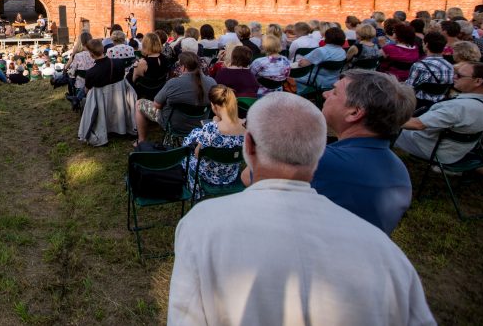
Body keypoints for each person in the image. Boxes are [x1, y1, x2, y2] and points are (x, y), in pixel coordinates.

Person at [168, 92, 434, 325]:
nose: (329, 92)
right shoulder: (385, 253)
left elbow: (186, 315)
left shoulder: (202, 223)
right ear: (320, 151)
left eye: (337, 92)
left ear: (248, 146)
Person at [303, 70, 416, 234]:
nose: (325, 94)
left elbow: (255, 175)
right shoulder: (400, 171)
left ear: (354, 112)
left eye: (334, 92)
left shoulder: (323, 161)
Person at [396, 61, 483, 164]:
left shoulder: (459, 107)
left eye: (459, 76)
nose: (454, 77)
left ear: (478, 81)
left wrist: (383, 119)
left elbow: (417, 125)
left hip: (434, 150)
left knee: (387, 128)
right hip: (459, 150)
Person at [135, 52, 214, 145]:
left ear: (183, 67)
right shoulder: (212, 82)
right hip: (200, 123)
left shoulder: (174, 83)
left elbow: (157, 104)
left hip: (174, 124)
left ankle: (141, 140)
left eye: (179, 66)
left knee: (139, 103)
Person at [181, 85, 245, 199]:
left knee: (188, 151)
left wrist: (214, 123)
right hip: (231, 175)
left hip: (209, 176)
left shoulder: (211, 129)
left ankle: (196, 194)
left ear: (214, 106)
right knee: (197, 133)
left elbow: (197, 154)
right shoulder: (246, 126)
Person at [405, 31, 454, 110]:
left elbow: (409, 88)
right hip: (441, 103)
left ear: (426, 44)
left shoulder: (419, 66)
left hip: (420, 105)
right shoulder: (449, 66)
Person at [297, 26, 348, 94]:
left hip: (317, 80)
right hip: (334, 80)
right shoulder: (342, 51)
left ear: (327, 38)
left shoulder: (321, 51)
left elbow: (302, 64)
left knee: (291, 77)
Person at [129, 32, 168, 100]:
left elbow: (133, 80)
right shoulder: (165, 59)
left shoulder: (142, 63)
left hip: (144, 97)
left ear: (145, 45)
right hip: (160, 94)